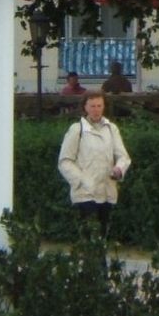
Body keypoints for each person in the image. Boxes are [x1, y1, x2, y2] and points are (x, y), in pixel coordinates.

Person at [57, 89, 130, 240]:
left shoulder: (111, 128)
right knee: (90, 235)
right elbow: (65, 161)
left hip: (106, 190)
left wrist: (119, 169)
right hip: (85, 193)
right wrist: (82, 180)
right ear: (85, 107)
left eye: (99, 106)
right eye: (92, 106)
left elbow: (123, 156)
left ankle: (98, 263)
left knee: (102, 236)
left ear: (104, 106)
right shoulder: (77, 130)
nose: (96, 110)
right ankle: (93, 263)